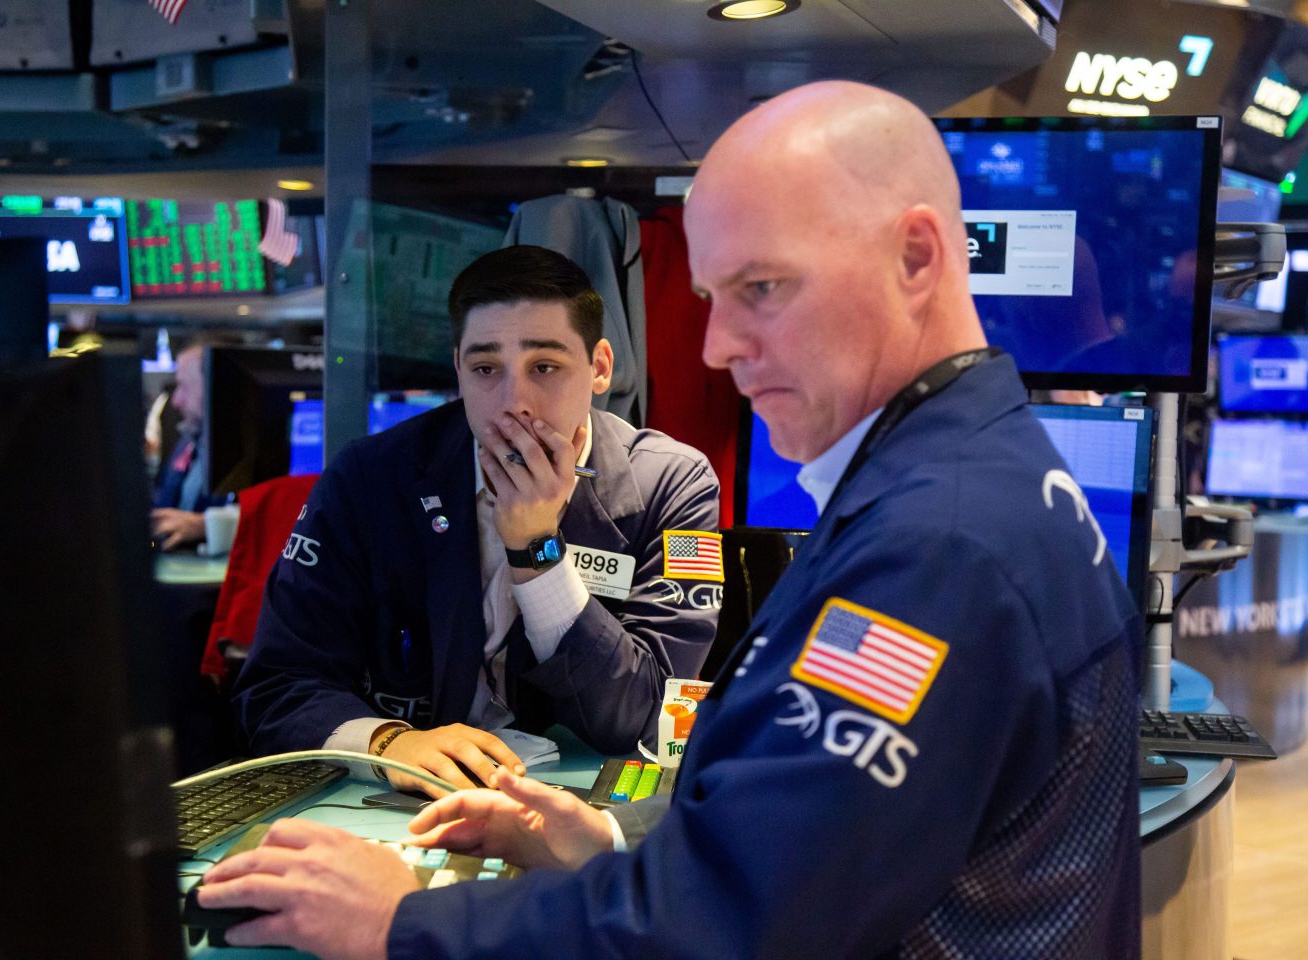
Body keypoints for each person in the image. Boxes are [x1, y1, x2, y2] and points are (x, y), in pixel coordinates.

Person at [196, 82, 1142, 959]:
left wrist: (404, 921)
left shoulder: (937, 546)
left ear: (917, 257)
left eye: (762, 288)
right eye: (711, 299)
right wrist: (612, 833)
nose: (723, 347)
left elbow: (740, 916)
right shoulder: (967, 479)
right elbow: (813, 835)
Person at [233, 244, 722, 796]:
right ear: (458, 370)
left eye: (545, 367)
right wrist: (389, 743)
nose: (516, 401)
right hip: (402, 799)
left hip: (589, 809)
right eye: (486, 368)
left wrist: (536, 550)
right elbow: (278, 686)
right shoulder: (369, 478)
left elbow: (649, 716)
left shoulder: (673, 484)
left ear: (601, 368)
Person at [151, 340, 216, 550]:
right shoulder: (188, 440)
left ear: (212, 386)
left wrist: (206, 526)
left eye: (184, 386)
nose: (176, 401)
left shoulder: (255, 453)